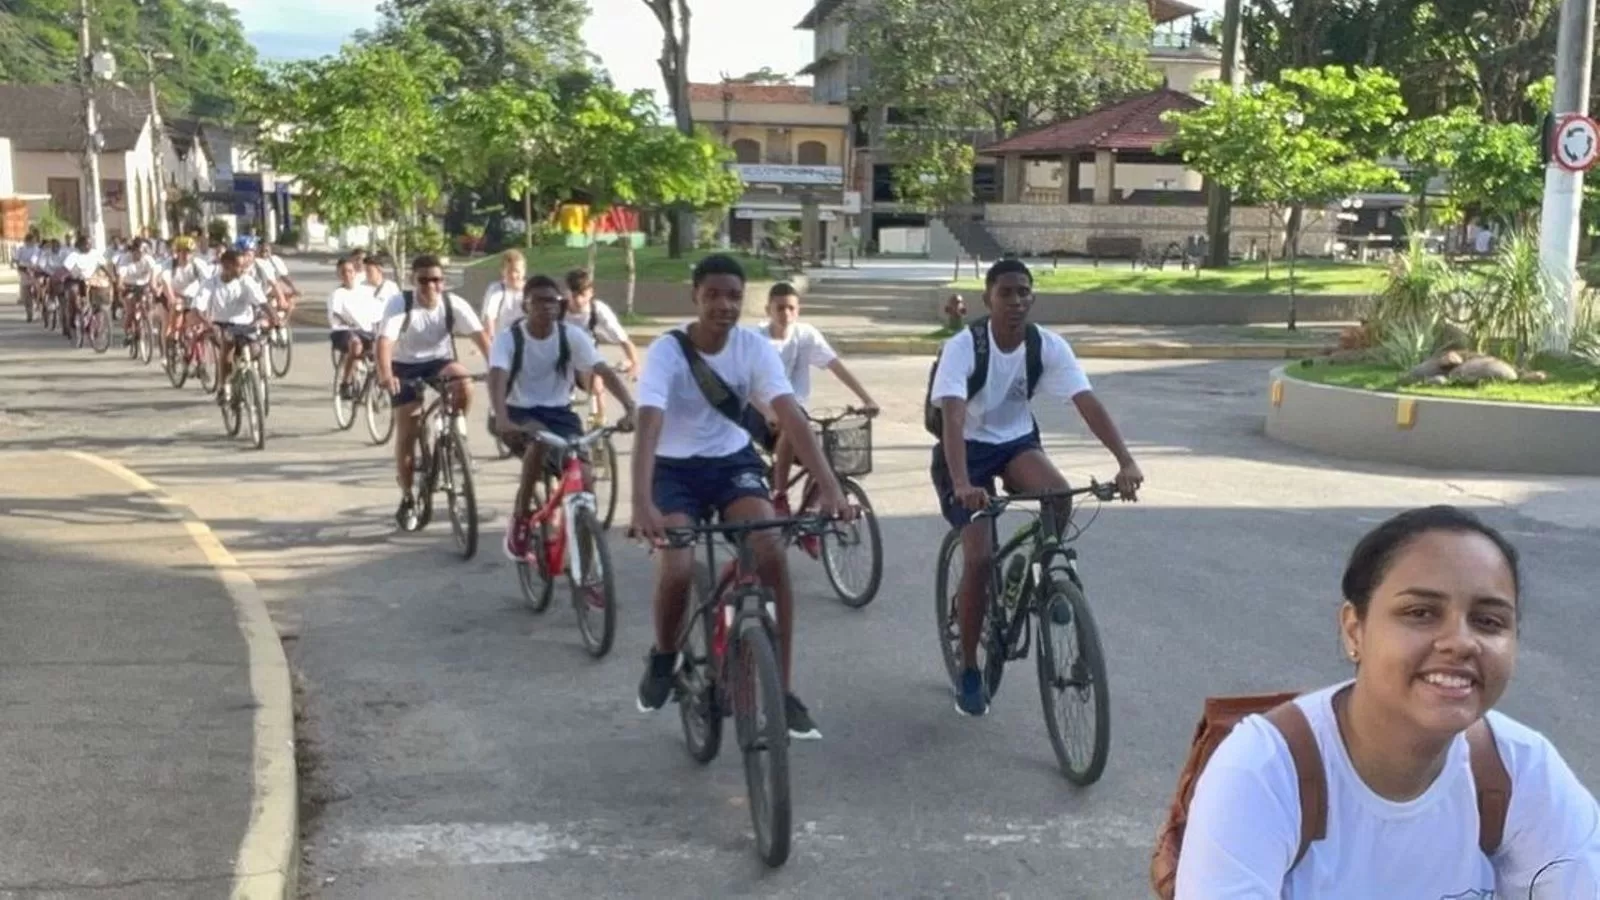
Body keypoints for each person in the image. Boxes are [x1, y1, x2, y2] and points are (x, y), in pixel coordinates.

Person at [1176, 505, 1600, 898]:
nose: (1460, 642)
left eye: (1489, 621)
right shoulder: (1264, 772)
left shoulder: (1521, 771)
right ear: (1354, 630)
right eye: (1420, 612)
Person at [628, 254, 849, 741]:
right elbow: (648, 426)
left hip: (732, 466)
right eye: (713, 295)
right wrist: (641, 501)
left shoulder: (752, 347)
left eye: (733, 295)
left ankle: (783, 690)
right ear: (695, 297)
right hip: (674, 472)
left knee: (770, 551)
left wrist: (830, 486)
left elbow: (790, 415)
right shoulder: (668, 351)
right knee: (679, 565)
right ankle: (664, 655)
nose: (724, 305)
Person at [930, 257, 1142, 718]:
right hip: (963, 452)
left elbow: (1086, 402)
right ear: (988, 298)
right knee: (980, 557)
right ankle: (969, 668)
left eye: (1024, 292)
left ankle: (1041, 578)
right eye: (1006, 292)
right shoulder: (966, 346)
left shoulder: (1045, 346)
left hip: (1015, 443)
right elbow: (952, 413)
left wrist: (1124, 460)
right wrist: (964, 482)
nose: (1017, 300)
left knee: (1059, 497)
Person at [489, 274, 638, 560]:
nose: (548, 307)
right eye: (540, 301)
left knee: (584, 482)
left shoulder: (571, 336)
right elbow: (497, 376)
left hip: (560, 415)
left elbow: (602, 370)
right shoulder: (510, 339)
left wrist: (630, 406)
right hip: (517, 413)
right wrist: (501, 416)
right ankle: (521, 514)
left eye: (554, 301)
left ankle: (587, 567)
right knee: (539, 443)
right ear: (525, 305)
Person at [376, 254, 491, 529]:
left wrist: (497, 369)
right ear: (413, 281)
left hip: (439, 362)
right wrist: (386, 375)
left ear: (444, 282)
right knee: (408, 431)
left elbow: (483, 340)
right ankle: (407, 495)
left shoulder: (454, 304)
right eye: (424, 280)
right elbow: (384, 343)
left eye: (436, 280)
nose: (430, 286)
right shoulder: (400, 304)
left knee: (463, 381)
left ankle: (454, 433)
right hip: (404, 366)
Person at [754, 282, 879, 510]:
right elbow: (746, 386)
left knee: (824, 459)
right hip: (761, 414)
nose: (786, 314)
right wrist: (768, 412)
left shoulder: (806, 335)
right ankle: (780, 495)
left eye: (791, 308)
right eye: (779, 308)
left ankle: (810, 516)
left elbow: (835, 366)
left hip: (794, 411)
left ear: (798, 310)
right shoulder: (756, 340)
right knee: (794, 424)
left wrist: (866, 398)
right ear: (768, 310)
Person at [186, 249, 270, 401]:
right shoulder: (211, 284)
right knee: (228, 348)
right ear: (226, 266)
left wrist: (275, 319)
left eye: (244, 266)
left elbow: (262, 302)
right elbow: (197, 308)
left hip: (245, 325)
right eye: (239, 266)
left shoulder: (246, 281)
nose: (242, 269)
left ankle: (255, 379)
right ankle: (224, 387)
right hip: (221, 325)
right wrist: (208, 324)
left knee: (256, 349)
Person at [563, 268, 640, 421]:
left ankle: (600, 424)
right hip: (561, 359)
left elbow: (623, 339)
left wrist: (634, 363)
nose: (578, 301)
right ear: (567, 292)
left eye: (582, 295)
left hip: (586, 361)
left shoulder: (598, 310)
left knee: (597, 383)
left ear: (591, 292)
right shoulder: (557, 309)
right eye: (574, 295)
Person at [327, 257, 384, 395]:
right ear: (339, 274)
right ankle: (346, 383)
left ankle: (381, 380)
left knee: (383, 347)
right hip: (344, 331)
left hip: (365, 331)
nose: (347, 274)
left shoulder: (366, 291)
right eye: (343, 272)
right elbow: (335, 315)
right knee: (356, 345)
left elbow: (378, 312)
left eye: (350, 271)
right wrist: (349, 323)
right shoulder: (337, 294)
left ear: (355, 273)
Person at [478, 250, 525, 336]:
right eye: (509, 271)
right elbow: (489, 317)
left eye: (517, 271)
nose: (513, 275)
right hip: (503, 341)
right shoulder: (496, 289)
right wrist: (492, 342)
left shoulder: (530, 291)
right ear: (502, 271)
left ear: (523, 271)